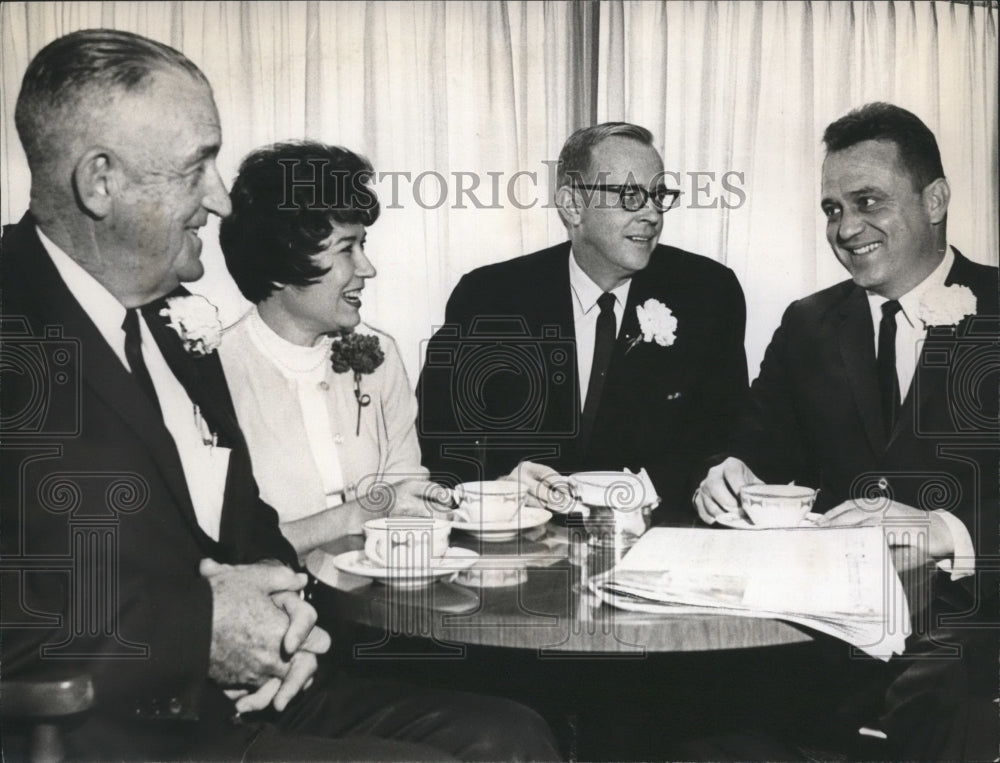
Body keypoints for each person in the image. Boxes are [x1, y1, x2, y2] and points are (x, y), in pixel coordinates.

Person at [0, 28, 559, 761]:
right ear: (99, 180)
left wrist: (289, 626)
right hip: (109, 730)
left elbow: (245, 534)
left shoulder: (170, 337)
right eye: (198, 164)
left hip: (255, 695)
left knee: (511, 737)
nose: (222, 199)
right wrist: (199, 632)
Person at [694, 102, 998, 760]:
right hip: (823, 637)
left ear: (936, 199)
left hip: (973, 635)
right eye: (833, 208)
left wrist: (945, 530)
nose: (847, 228)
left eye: (867, 201)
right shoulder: (808, 324)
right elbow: (754, 442)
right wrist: (730, 470)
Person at [417, 122, 748, 520]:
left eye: (659, 195)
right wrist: (502, 486)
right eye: (630, 195)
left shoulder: (708, 293)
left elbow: (724, 440)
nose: (652, 214)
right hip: (520, 542)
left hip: (657, 539)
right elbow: (442, 446)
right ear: (573, 206)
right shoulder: (487, 298)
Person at [218, 141, 449, 557]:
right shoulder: (212, 371)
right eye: (347, 249)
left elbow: (409, 495)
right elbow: (221, 546)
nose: (367, 268)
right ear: (278, 266)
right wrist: (354, 515)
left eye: (364, 246)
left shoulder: (381, 354)